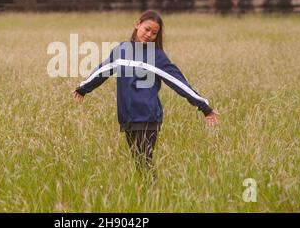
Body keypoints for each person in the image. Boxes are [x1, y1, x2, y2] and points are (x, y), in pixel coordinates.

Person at [73, 10, 219, 178]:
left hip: (147, 117)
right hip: (127, 117)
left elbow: (179, 83)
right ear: (137, 25)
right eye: (147, 29)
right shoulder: (121, 50)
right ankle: (149, 197)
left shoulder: (157, 56)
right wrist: (83, 88)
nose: (149, 35)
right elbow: (103, 70)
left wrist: (204, 107)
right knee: (139, 163)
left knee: (144, 163)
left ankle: (154, 198)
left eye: (154, 33)